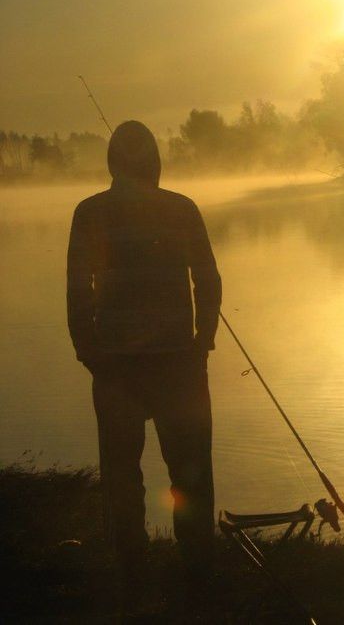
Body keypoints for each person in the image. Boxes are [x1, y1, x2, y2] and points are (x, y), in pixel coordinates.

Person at [67, 120, 221, 591]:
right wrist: (202, 341)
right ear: (155, 161)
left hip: (116, 364)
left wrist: (89, 351)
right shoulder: (182, 208)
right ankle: (197, 566)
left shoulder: (90, 212)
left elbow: (78, 290)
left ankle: (131, 565)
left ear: (113, 162)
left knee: (121, 471)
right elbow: (209, 281)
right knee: (190, 471)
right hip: (178, 361)